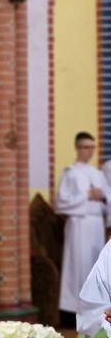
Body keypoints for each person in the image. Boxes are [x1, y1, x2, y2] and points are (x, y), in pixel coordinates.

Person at [55, 132, 111, 327]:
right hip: (78, 225)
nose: (89, 151)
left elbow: (108, 200)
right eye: (86, 147)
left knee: (94, 269)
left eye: (92, 147)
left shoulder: (98, 174)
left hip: (96, 225)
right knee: (77, 270)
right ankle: (71, 315)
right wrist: (88, 195)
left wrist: (102, 197)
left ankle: (95, 314)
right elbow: (61, 202)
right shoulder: (70, 172)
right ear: (78, 148)